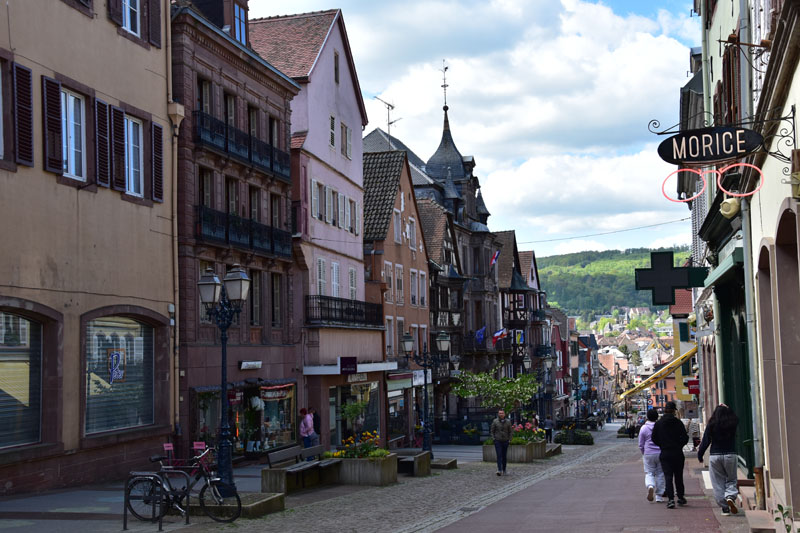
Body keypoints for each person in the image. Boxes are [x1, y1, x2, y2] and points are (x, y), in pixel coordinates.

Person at [697, 404, 740, 515]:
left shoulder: (712, 424)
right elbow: (736, 418)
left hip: (715, 455)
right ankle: (730, 496)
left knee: (717, 482)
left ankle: (724, 507)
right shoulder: (732, 423)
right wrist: (728, 409)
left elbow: (705, 440)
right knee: (731, 479)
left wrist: (700, 455)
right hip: (730, 454)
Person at [651, 401, 689, 509]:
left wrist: (662, 445)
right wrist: (679, 445)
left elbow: (654, 438)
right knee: (678, 476)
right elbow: (685, 438)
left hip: (665, 453)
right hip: (677, 453)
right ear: (674, 411)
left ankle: (671, 499)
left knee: (668, 476)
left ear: (665, 410)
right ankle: (680, 497)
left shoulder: (659, 424)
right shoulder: (678, 423)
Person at [638, 408, 666, 503]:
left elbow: (640, 444)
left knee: (649, 473)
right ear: (657, 417)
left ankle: (650, 486)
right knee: (660, 474)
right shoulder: (661, 427)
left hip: (648, 453)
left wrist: (643, 452)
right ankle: (659, 496)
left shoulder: (644, 428)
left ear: (647, 417)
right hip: (660, 452)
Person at [490, 409, 513, 476]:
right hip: (498, 440)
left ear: (504, 414)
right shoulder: (495, 421)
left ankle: (504, 469)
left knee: (504, 456)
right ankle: (499, 470)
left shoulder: (508, 422)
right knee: (499, 455)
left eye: (502, 413)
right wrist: (494, 439)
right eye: (500, 413)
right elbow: (492, 431)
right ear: (498, 414)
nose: (501, 414)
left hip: (505, 440)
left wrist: (509, 439)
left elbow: (510, 431)